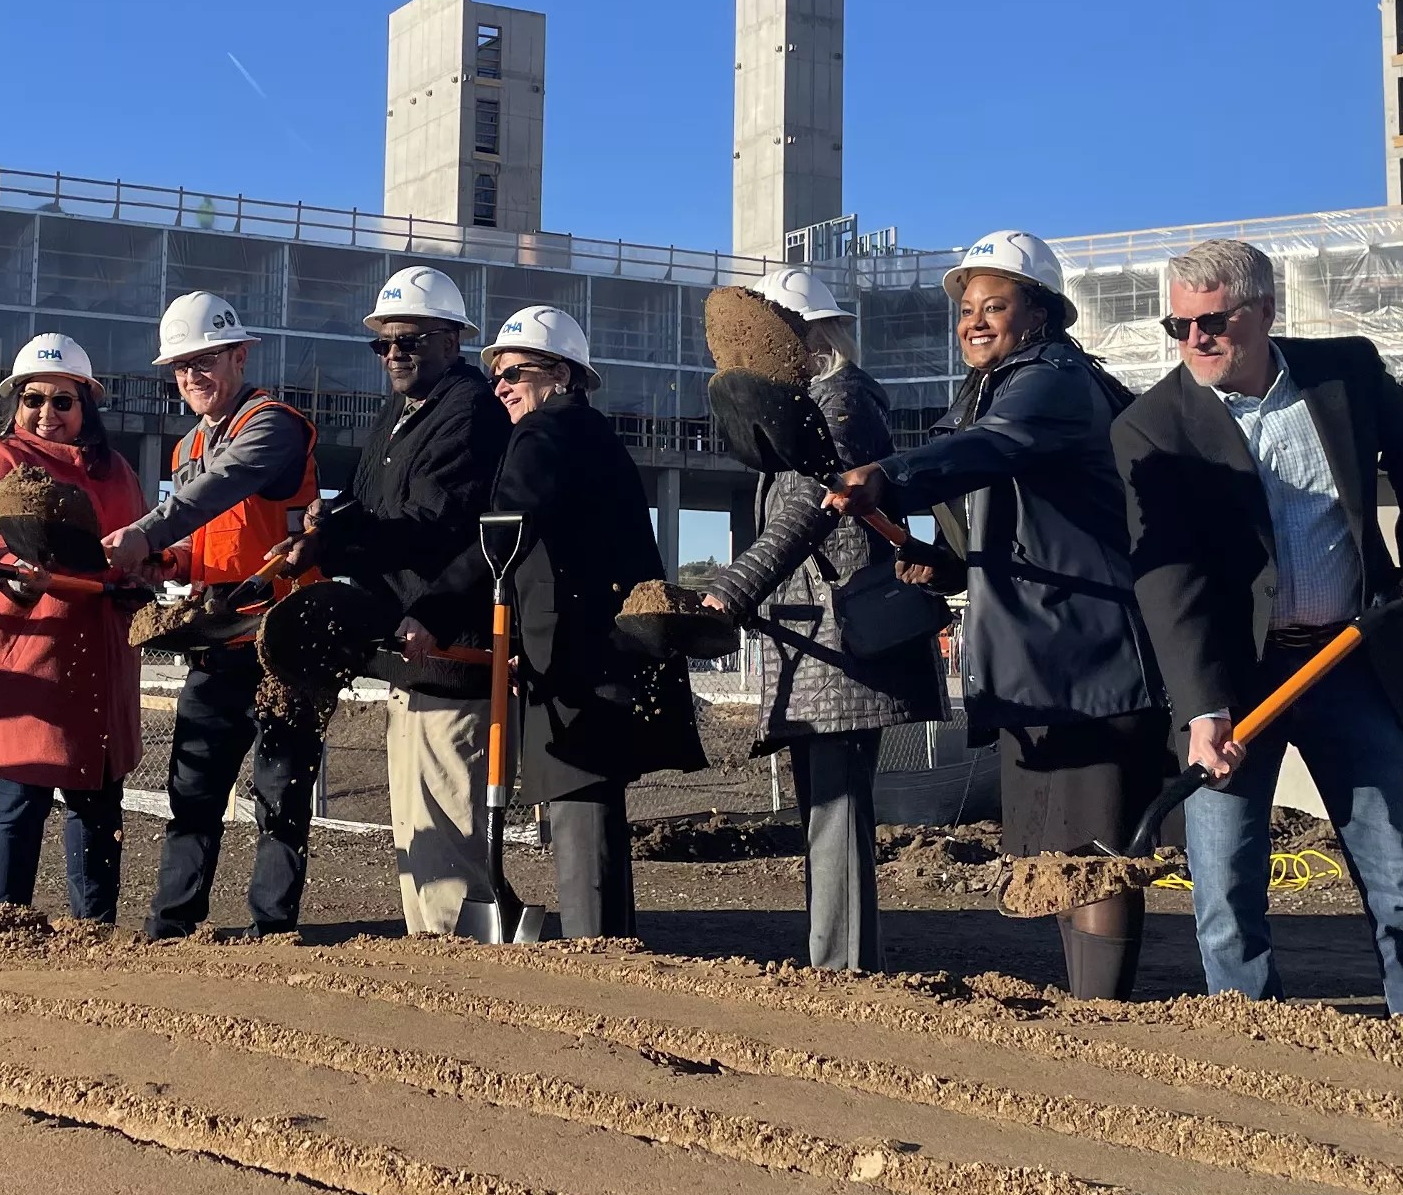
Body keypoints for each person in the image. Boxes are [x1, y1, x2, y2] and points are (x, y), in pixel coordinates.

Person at [1111, 236, 1403, 1020]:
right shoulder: (1153, 425)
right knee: (1225, 897)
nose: (1194, 339)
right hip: (1237, 684)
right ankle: (1256, 1052)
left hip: (1350, 662)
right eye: (1178, 325)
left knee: (1400, 878)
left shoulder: (1344, 373)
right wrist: (1202, 711)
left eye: (1212, 322)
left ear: (1265, 311)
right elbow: (1170, 581)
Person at [828, 230, 1163, 1000]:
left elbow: (994, 448)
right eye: (967, 309)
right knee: (1058, 851)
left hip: (1086, 657)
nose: (973, 321)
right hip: (1039, 657)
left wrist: (888, 475)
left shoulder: (1050, 381)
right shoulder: (1000, 388)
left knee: (1092, 852)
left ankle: (1104, 1016)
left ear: (1039, 313)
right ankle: (1093, 1008)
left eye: (995, 306)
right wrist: (951, 563)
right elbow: (1017, 517)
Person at [427, 305, 702, 940]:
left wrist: (432, 611)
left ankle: (597, 960)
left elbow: (506, 533)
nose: (500, 386)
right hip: (609, 657)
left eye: (514, 372)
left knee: (581, 818)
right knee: (597, 816)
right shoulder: (590, 434)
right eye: (495, 374)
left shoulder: (545, 432)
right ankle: (615, 951)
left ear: (562, 374)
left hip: (579, 667)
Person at [699, 266, 940, 973]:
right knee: (826, 813)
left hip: (843, 646)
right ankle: (835, 963)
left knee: (835, 814)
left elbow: (809, 508)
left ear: (806, 337)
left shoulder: (842, 400)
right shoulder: (806, 403)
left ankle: (843, 972)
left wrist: (731, 591)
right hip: (820, 648)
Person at [291, 264, 508, 935]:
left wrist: (333, 543)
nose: (392, 355)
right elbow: (370, 501)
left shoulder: (470, 410)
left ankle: (460, 963)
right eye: (382, 344)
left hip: (450, 647)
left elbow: (436, 524)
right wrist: (328, 522)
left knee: (445, 821)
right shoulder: (401, 412)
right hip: (408, 646)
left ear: (451, 340)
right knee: (416, 825)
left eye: (408, 341)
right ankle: (433, 953)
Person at [104, 291, 321, 939]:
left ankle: (271, 931)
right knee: (192, 794)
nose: (192, 375)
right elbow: (207, 539)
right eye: (182, 366)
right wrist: (168, 561)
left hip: (282, 644)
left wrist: (143, 533)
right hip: (219, 642)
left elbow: (220, 489)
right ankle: (171, 928)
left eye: (205, 361)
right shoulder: (187, 448)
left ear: (239, 357)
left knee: (280, 795)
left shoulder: (273, 427)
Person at [0, 333, 145, 919]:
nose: (47, 413)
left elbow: (137, 545)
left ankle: (94, 932)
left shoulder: (116, 472)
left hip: (96, 662)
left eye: (63, 401)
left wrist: (142, 576)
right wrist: (17, 572)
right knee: (16, 803)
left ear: (86, 406)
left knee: (97, 806)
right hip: (23, 659)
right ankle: (0, 929)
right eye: (34, 399)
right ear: (17, 403)